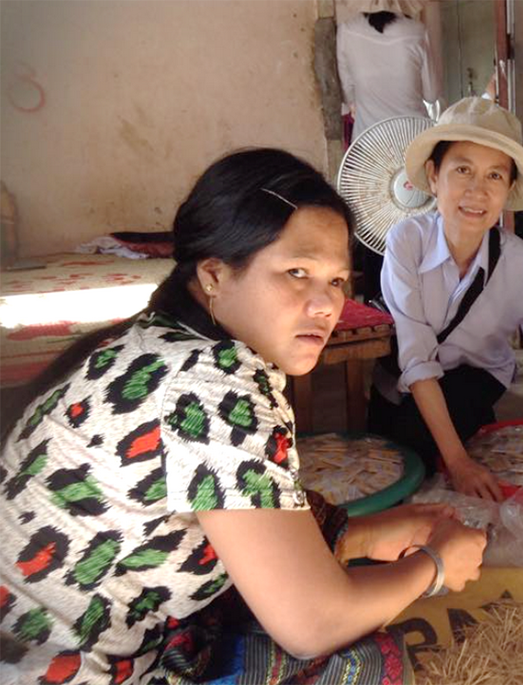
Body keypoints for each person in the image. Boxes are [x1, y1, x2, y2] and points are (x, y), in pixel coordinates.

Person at [0, 148, 486, 685]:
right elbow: (312, 623)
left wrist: (364, 536)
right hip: (61, 671)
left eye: (338, 281)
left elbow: (229, 511)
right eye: (297, 272)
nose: (326, 305)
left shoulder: (150, 339)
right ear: (214, 273)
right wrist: (434, 567)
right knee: (358, 663)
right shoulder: (213, 380)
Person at [367, 97, 523, 502]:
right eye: (462, 169)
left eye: (495, 176)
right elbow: (415, 357)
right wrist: (459, 461)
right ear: (433, 177)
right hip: (402, 384)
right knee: (395, 462)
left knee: (432, 445)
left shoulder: (522, 264)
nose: (477, 191)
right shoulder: (406, 242)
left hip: (475, 377)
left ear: (508, 190)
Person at [336, 0, 441, 140]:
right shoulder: (417, 32)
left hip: (370, 142)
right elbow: (431, 95)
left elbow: (347, 93)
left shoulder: (346, 31)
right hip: (416, 139)